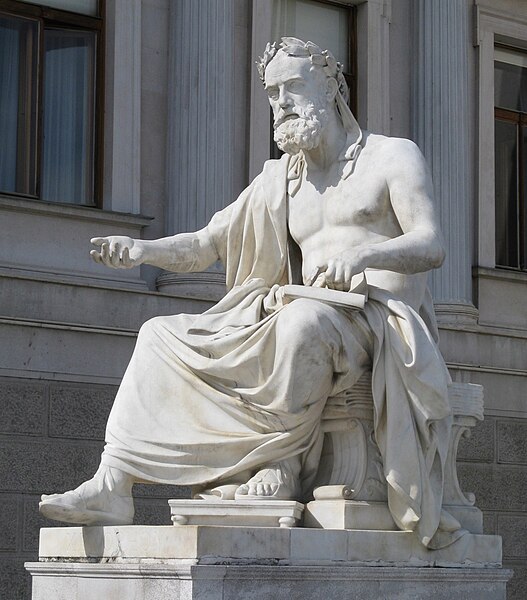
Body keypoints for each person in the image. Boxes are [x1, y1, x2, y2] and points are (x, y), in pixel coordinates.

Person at [40, 37, 457, 549]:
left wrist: (367, 257)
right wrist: (142, 250)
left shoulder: (392, 156)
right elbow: (205, 244)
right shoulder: (281, 180)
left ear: (330, 87)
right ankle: (114, 483)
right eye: (272, 92)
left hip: (379, 318)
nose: (280, 102)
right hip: (308, 312)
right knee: (159, 334)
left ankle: (276, 464)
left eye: (292, 87)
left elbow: (431, 242)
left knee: (299, 321)